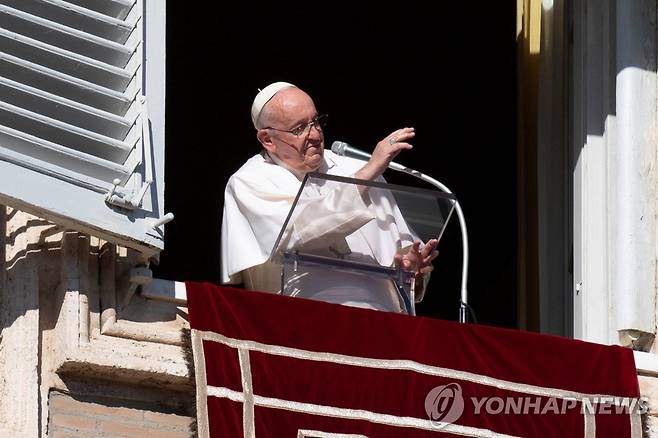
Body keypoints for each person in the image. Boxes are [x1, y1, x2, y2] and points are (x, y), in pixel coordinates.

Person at [221, 82, 438, 313]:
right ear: (268, 139)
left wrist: (410, 268)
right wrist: (370, 170)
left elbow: (402, 252)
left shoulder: (356, 168)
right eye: (299, 128)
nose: (315, 134)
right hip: (301, 320)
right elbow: (300, 230)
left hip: (383, 318)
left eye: (315, 122)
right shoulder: (250, 180)